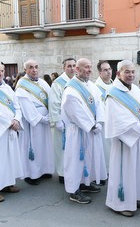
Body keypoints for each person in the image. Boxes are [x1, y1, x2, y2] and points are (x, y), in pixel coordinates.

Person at [105, 60, 140, 217]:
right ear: (118, 74)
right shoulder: (113, 93)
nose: (131, 74)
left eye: (132, 71)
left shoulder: (137, 90)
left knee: (137, 169)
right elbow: (118, 120)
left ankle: (135, 197)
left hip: (137, 137)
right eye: (127, 72)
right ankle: (120, 203)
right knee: (124, 171)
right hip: (124, 141)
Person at [61, 58, 107, 204]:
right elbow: (75, 111)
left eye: (90, 67)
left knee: (88, 158)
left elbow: (100, 104)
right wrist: (92, 126)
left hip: (92, 129)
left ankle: (84, 183)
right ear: (78, 70)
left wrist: (99, 122)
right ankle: (73, 191)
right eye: (86, 67)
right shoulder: (70, 89)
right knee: (75, 160)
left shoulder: (92, 86)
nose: (89, 70)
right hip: (78, 131)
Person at [15, 59, 55, 185]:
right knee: (33, 147)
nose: (34, 70)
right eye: (31, 67)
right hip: (32, 123)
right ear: (25, 69)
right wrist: (41, 118)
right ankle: (31, 174)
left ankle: (44, 170)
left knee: (45, 146)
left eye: (36, 67)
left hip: (45, 121)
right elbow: (26, 106)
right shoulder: (22, 85)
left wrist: (51, 115)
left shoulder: (43, 82)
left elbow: (51, 99)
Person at [49, 58, 76, 184]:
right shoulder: (58, 83)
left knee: (72, 149)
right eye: (69, 66)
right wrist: (57, 120)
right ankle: (62, 173)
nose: (72, 68)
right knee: (61, 148)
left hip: (74, 122)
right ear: (64, 68)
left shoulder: (76, 81)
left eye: (74, 66)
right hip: (62, 122)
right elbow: (54, 102)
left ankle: (72, 171)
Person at [0, 63, 23, 202]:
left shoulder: (7, 88)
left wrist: (16, 120)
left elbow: (17, 107)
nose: (0, 73)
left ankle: (7, 184)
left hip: (10, 129)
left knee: (8, 159)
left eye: (2, 70)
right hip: (2, 129)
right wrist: (9, 122)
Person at [95, 60, 113, 177]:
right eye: (105, 70)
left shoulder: (115, 85)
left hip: (115, 123)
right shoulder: (96, 87)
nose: (109, 72)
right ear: (100, 72)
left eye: (110, 69)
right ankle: (104, 172)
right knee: (105, 149)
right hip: (104, 123)